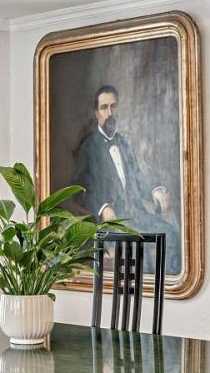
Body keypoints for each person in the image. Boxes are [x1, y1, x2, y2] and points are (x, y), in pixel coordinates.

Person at [72, 84, 181, 272]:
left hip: (136, 215)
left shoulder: (124, 143)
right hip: (112, 221)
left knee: (170, 234)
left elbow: (138, 177)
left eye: (113, 106)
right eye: (104, 108)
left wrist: (156, 189)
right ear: (96, 113)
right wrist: (103, 207)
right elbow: (78, 188)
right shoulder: (89, 147)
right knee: (138, 248)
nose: (109, 113)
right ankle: (144, 291)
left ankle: (166, 289)